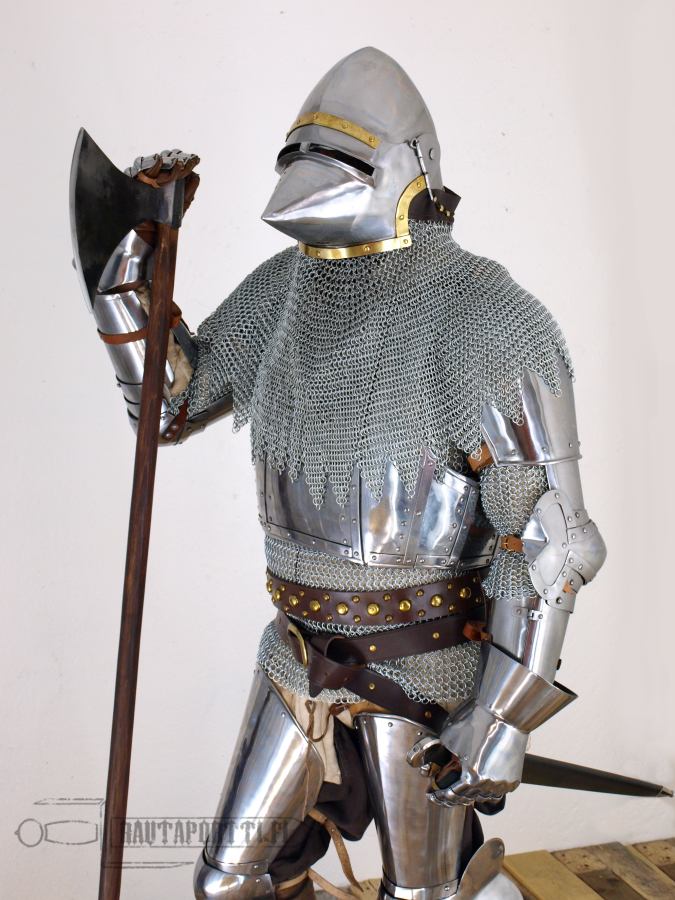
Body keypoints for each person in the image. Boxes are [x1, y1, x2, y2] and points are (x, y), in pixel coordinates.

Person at [84, 47, 606, 900]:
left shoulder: (485, 316)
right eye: (296, 152)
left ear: (410, 170)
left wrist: (501, 718)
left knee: (421, 894)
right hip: (296, 651)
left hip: (427, 666)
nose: (307, 172)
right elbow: (168, 409)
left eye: (341, 154)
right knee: (226, 883)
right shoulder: (283, 291)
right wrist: (121, 277)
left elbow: (551, 544)